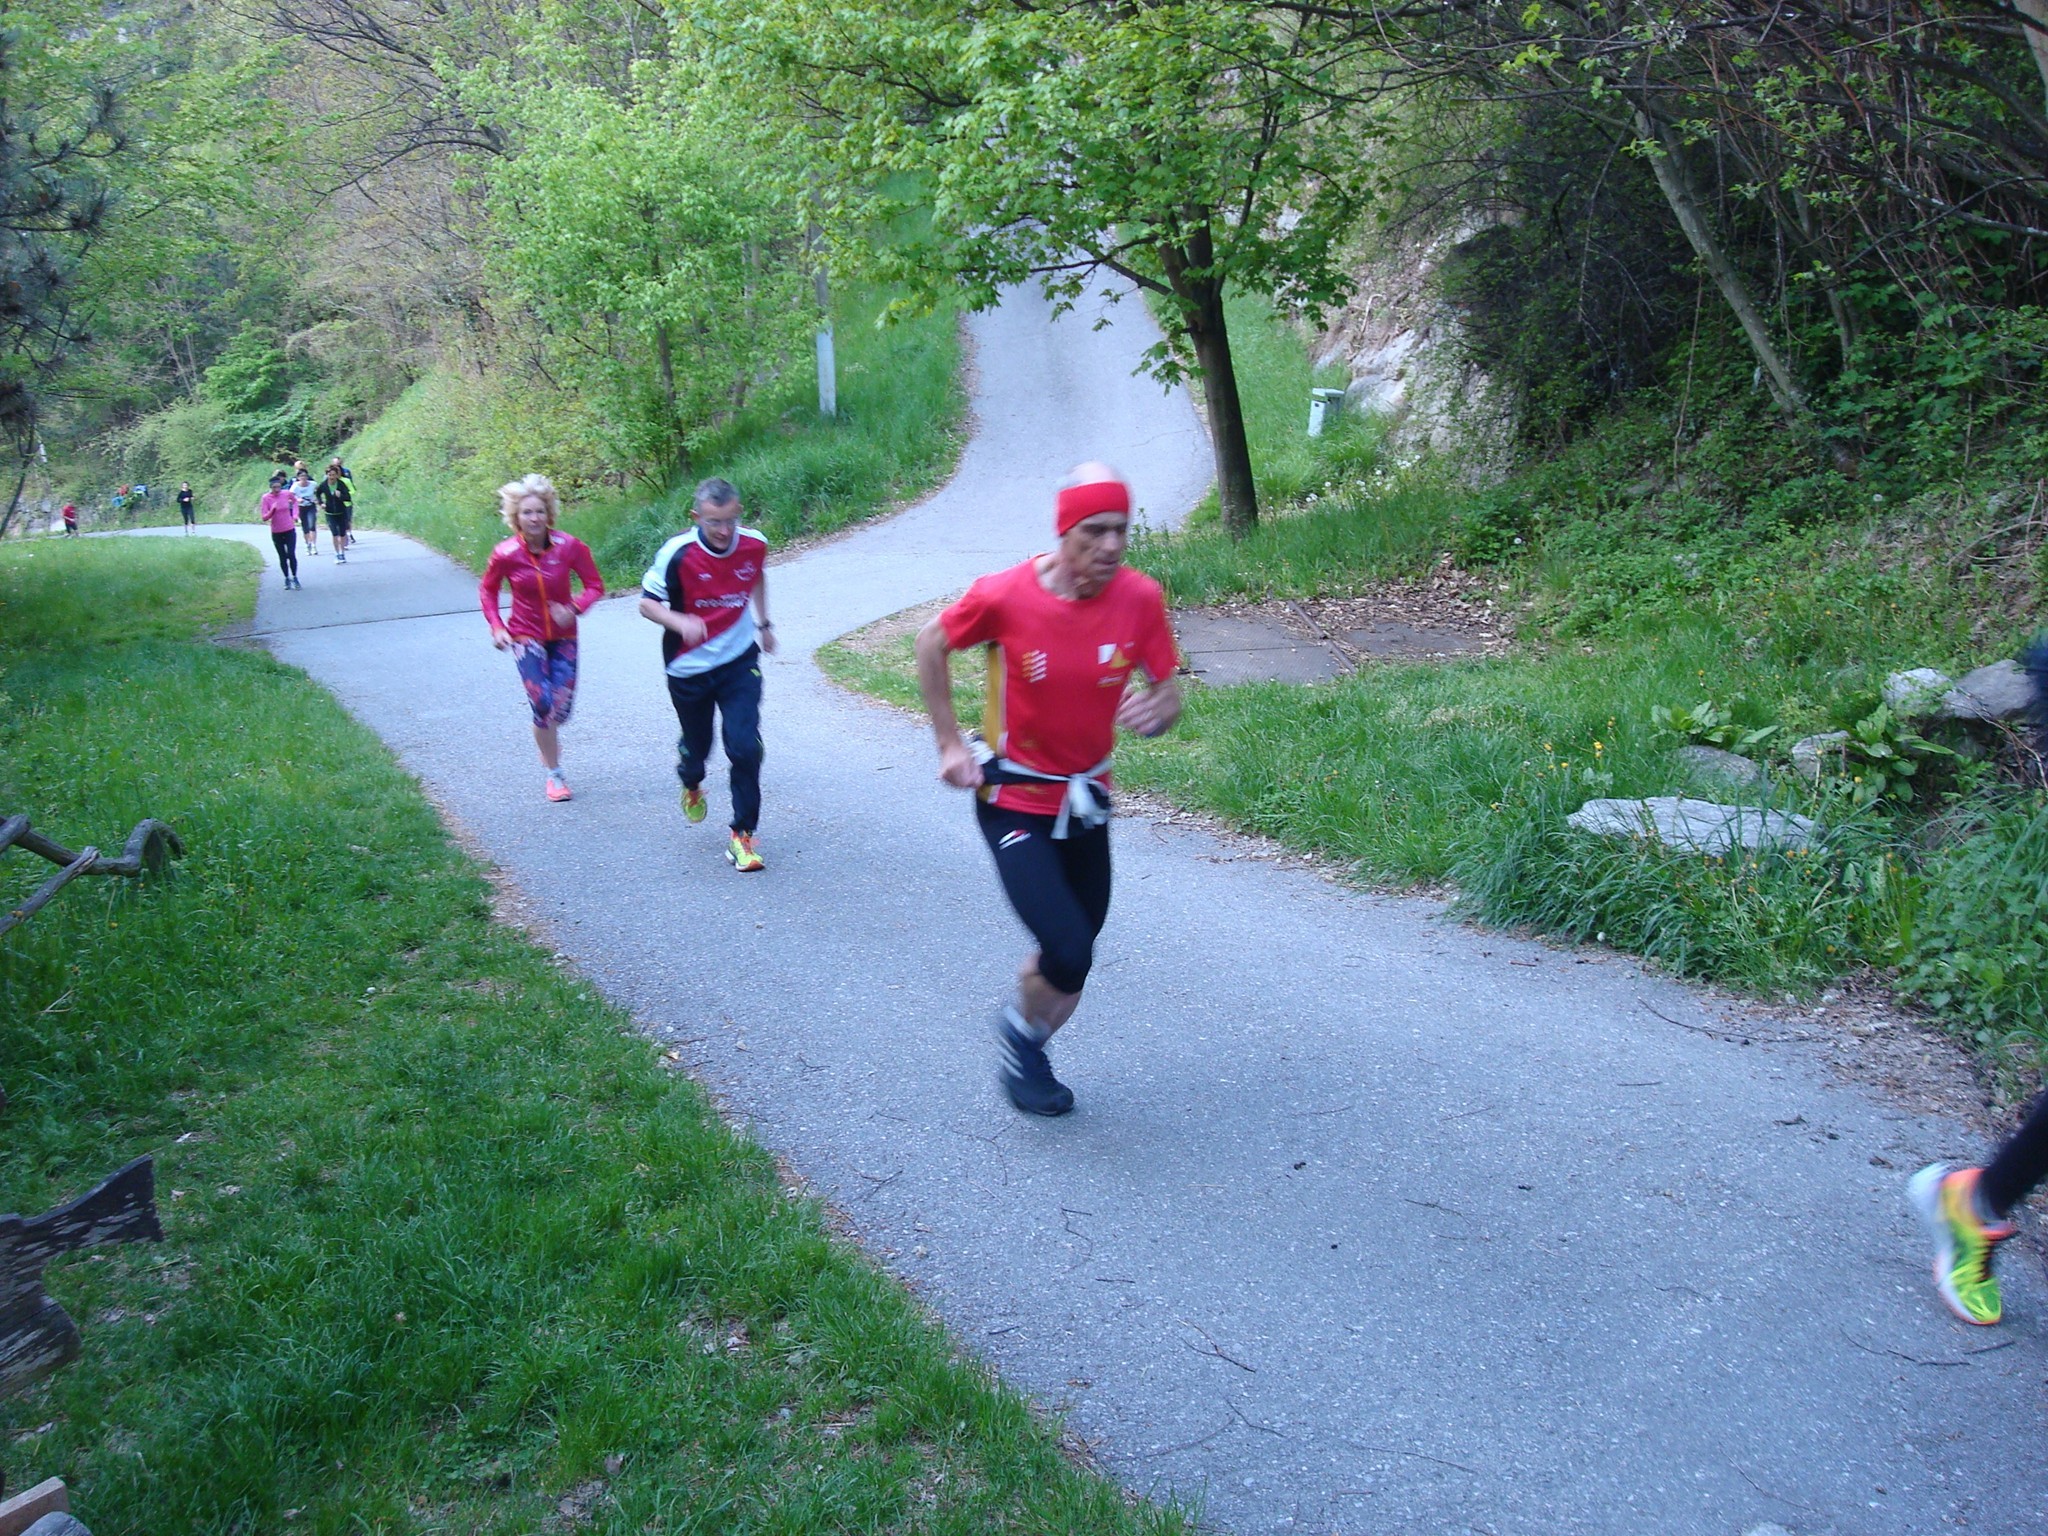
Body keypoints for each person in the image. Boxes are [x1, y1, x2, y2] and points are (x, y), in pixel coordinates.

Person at [914, 463, 1183, 1116]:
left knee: (1073, 962)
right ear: (1065, 532)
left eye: (1121, 530)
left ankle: (1023, 1032)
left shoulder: (1140, 598)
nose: (1112, 546)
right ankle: (1026, 1048)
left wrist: (1162, 707)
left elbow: (1166, 688)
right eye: (1095, 531)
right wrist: (950, 743)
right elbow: (931, 643)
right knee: (1067, 946)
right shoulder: (1006, 596)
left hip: (1086, 799)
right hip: (1012, 796)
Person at [638, 477, 776, 872]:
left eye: (731, 520)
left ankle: (743, 836)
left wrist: (764, 624)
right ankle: (691, 779)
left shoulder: (755, 543)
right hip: (688, 667)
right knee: (698, 750)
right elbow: (647, 604)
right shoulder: (676, 553)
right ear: (696, 517)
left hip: (738, 661)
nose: (724, 531)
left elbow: (757, 572)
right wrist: (679, 621)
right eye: (714, 522)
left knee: (745, 746)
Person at [479, 473, 605, 803]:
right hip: (525, 635)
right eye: (526, 513)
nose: (534, 519)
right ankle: (555, 774)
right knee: (543, 704)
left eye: (539, 512)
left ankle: (546, 740)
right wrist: (497, 627)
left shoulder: (569, 547)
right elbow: (488, 590)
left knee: (561, 712)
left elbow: (595, 585)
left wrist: (574, 607)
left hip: (563, 635)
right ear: (515, 518)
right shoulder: (505, 553)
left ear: (549, 514)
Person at [259, 473, 302, 588]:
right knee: (282, 556)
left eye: (278, 487)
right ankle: (286, 578)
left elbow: (295, 502)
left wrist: (295, 515)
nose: (277, 490)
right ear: (270, 487)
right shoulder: (266, 498)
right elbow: (264, 517)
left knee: (291, 554)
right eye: (274, 487)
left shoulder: (286, 493)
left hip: (289, 528)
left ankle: (295, 577)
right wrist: (272, 510)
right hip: (276, 531)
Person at [315, 464, 354, 562]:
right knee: (334, 534)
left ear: (337, 475)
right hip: (330, 512)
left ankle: (342, 553)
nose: (331, 477)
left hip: (341, 511)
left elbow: (348, 497)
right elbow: (317, 493)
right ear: (327, 475)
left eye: (333, 475)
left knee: (342, 533)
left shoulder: (341, 484)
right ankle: (337, 553)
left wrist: (340, 495)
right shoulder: (324, 485)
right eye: (329, 475)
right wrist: (321, 503)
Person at [291, 470, 320, 554]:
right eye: (301, 476)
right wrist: (297, 499)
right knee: (305, 527)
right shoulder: (295, 486)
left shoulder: (313, 484)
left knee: (312, 525)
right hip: (301, 507)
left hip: (311, 506)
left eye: (305, 476)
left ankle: (314, 545)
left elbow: (319, 491)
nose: (303, 478)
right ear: (298, 478)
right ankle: (307, 544)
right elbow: (289, 496)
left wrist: (317, 499)